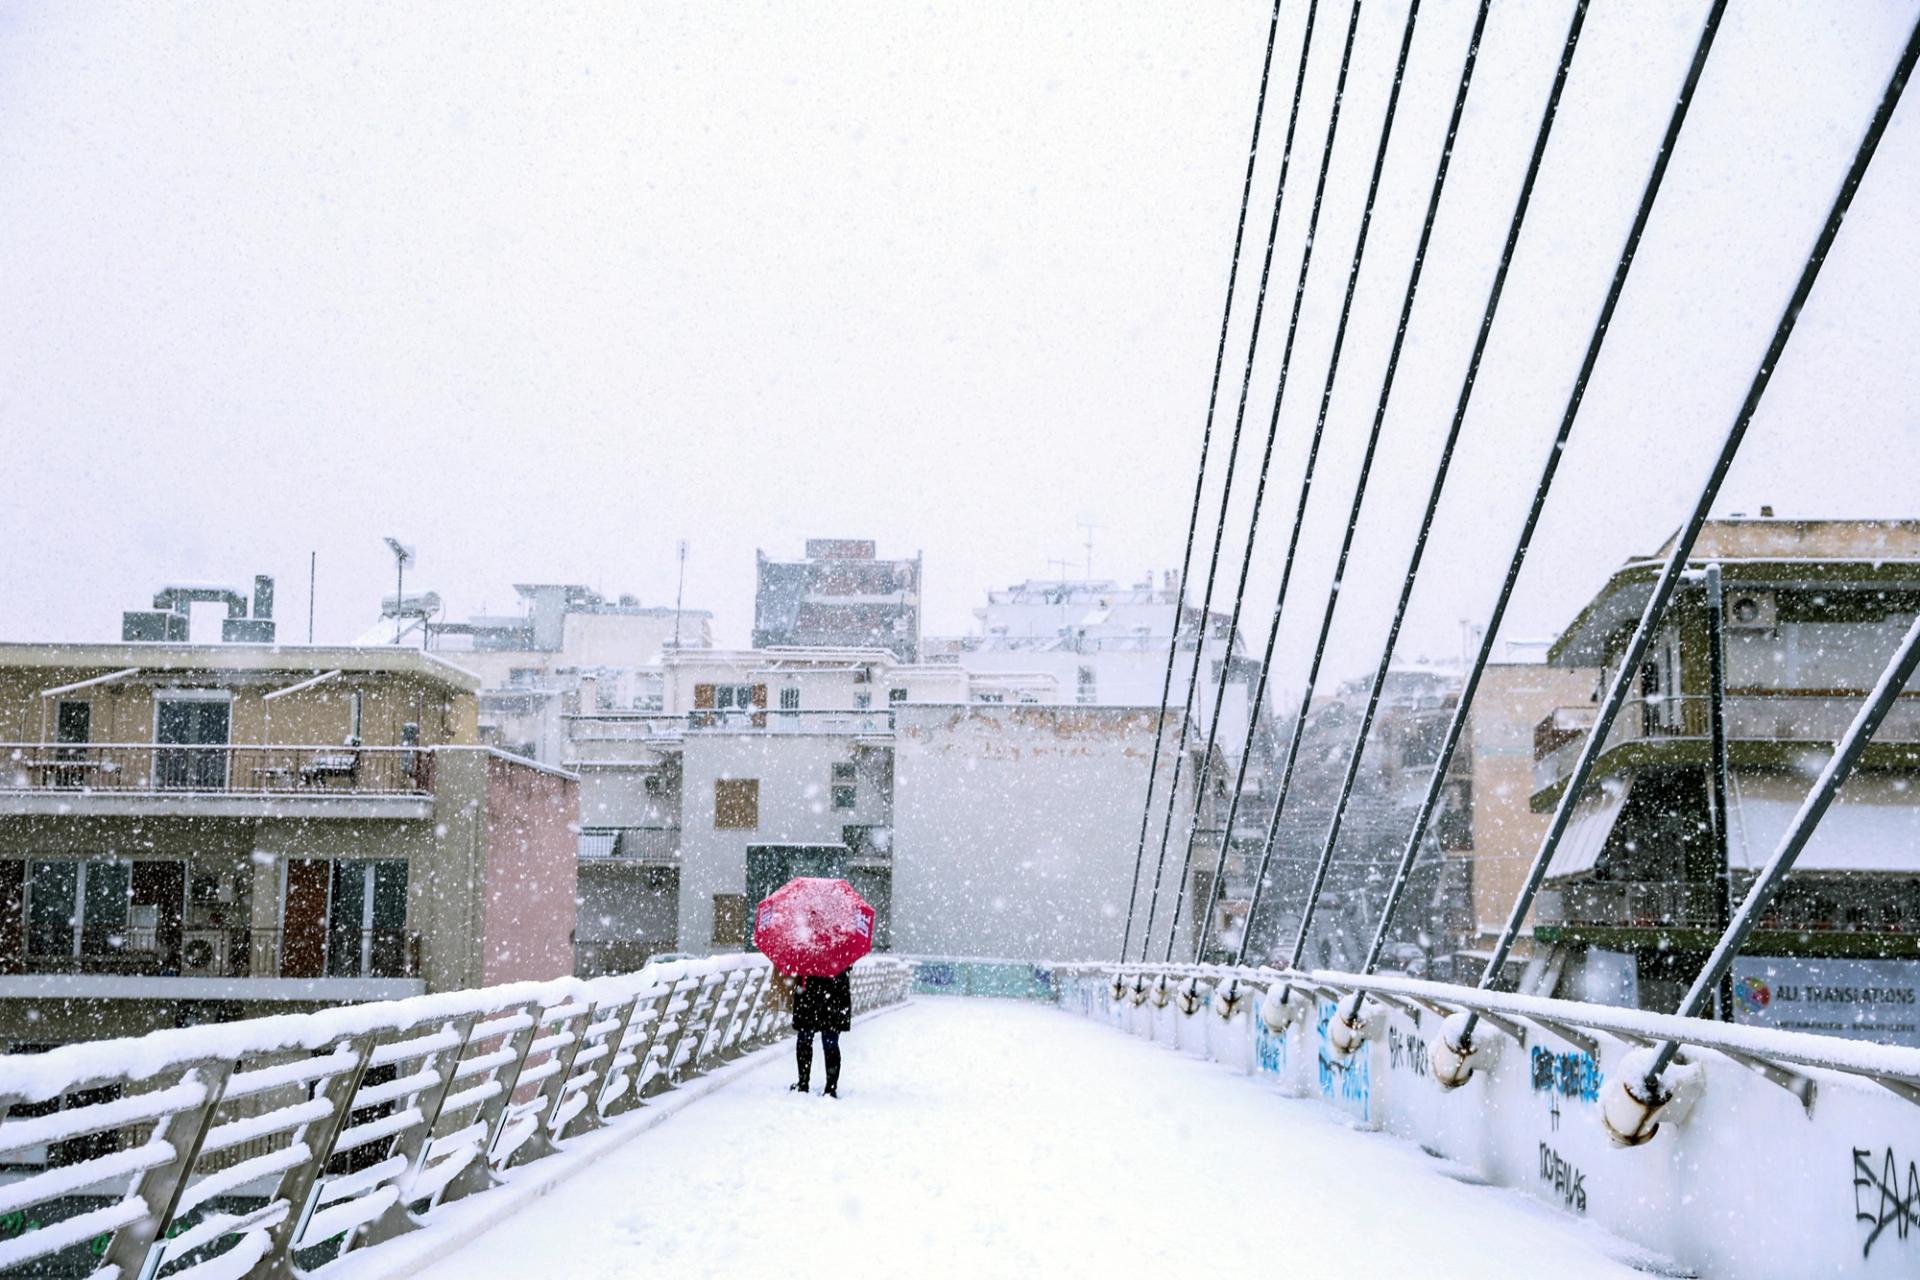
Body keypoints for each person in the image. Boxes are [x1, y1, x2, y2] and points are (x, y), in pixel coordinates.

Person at [790, 966, 852, 1097]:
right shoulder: (839, 951)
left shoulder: (806, 950)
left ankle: (803, 1083)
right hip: (834, 994)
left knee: (804, 1039)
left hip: (808, 995)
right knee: (830, 1042)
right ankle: (830, 1088)